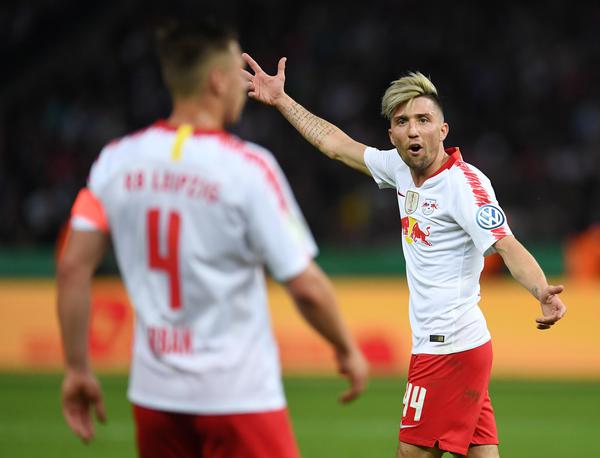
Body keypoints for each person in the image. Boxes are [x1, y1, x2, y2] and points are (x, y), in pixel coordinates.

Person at [56, 19, 368, 458]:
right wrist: (346, 348)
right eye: (237, 76)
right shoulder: (248, 169)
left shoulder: (115, 161)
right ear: (218, 81)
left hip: (155, 396)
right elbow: (306, 286)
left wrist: (76, 368)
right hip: (239, 397)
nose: (244, 88)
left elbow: (72, 267)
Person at [242, 54, 567, 458]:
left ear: (443, 129)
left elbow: (505, 243)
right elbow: (336, 146)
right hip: (457, 347)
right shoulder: (398, 168)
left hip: (447, 347)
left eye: (423, 120)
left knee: (410, 454)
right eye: (402, 122)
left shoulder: (464, 186)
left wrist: (541, 289)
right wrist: (281, 101)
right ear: (392, 134)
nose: (413, 130)